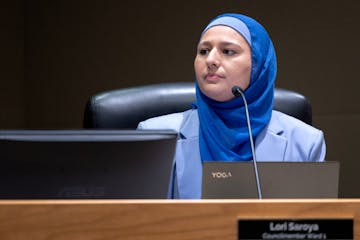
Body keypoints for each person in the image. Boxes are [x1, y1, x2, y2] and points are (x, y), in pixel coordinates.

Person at [137, 13, 326, 199]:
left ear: (258, 65)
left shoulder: (305, 142)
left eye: (228, 51)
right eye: (203, 51)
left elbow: (313, 225)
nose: (210, 60)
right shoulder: (155, 136)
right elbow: (136, 223)